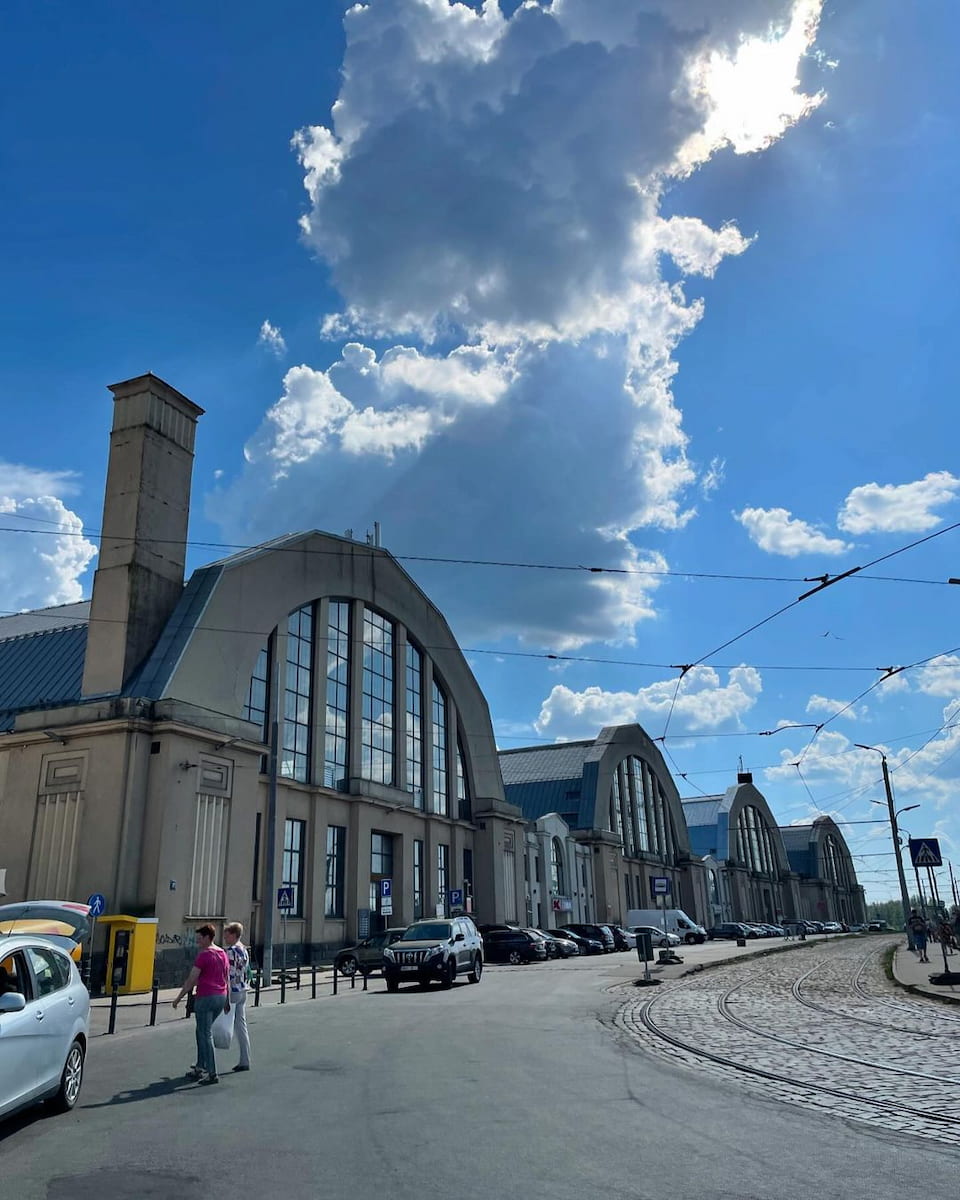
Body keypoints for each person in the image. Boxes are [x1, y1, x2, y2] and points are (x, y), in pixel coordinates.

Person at [172, 924, 230, 1085]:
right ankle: (200, 1066)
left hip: (206, 997)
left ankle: (212, 1072)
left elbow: (191, 979)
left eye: (199, 938)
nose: (198, 941)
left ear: (207, 937)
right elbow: (227, 978)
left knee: (205, 1033)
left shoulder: (204, 955)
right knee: (201, 1031)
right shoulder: (222, 953)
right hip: (220, 996)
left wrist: (178, 998)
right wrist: (227, 1000)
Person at [224, 921, 251, 1073]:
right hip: (242, 988)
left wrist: (225, 995)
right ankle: (244, 1059)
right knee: (241, 1025)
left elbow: (228, 973)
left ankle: (206, 1060)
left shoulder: (230, 951)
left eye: (227, 935)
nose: (225, 938)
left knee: (217, 1023)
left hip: (232, 990)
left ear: (233, 935)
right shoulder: (244, 949)